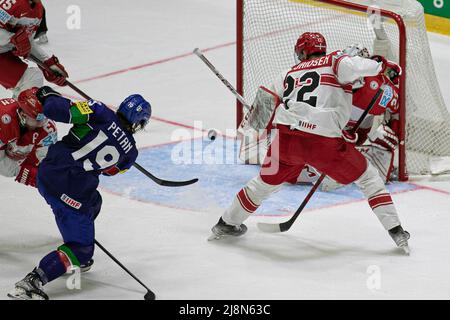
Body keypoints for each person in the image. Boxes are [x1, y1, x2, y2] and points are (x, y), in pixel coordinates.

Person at [210, 32, 410, 254]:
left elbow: (259, 115)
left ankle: (225, 223)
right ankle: (397, 231)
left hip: (285, 141)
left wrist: (254, 129)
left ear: (302, 52)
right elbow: (363, 68)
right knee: (368, 178)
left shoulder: (288, 72)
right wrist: (378, 65)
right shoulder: (336, 61)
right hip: (322, 143)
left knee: (262, 184)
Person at [8, 86, 152, 300]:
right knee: (83, 248)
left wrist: (49, 96)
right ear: (139, 123)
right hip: (70, 190)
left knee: (95, 202)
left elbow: (58, 110)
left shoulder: (99, 110)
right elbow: (111, 171)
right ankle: (31, 283)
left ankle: (73, 244)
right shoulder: (131, 153)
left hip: (47, 172)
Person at [0, 0, 67, 98]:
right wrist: (12, 38)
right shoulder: (9, 3)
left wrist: (47, 63)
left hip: (4, 52)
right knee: (31, 78)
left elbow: (27, 41)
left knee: (32, 79)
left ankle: (18, 110)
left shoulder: (39, 9)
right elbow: (19, 40)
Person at [0, 90, 57, 186]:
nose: (44, 121)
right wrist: (27, 174)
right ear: (23, 115)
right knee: (7, 169)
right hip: (5, 137)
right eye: (39, 117)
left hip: (10, 142)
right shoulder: (4, 121)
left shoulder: (47, 129)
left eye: (46, 115)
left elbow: (46, 161)